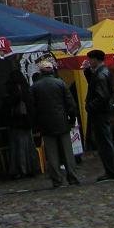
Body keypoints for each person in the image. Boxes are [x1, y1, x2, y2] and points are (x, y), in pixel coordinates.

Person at [31, 59, 80, 187]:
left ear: (40, 72)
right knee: (67, 151)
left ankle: (57, 179)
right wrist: (72, 118)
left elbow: (33, 108)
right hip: (62, 120)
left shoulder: (35, 87)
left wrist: (36, 125)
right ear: (52, 70)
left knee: (52, 153)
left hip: (45, 123)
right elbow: (70, 103)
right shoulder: (60, 83)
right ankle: (72, 177)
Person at [85, 49, 114, 181]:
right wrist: (87, 72)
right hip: (103, 112)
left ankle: (111, 171)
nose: (89, 61)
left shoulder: (101, 75)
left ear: (95, 59)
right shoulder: (102, 72)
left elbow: (102, 96)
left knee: (104, 142)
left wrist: (90, 106)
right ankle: (110, 171)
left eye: (90, 59)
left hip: (100, 113)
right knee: (104, 142)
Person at [2, 69, 38, 179]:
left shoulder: (13, 90)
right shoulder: (26, 89)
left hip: (17, 122)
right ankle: (30, 167)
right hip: (26, 122)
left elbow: (10, 104)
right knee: (28, 145)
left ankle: (21, 169)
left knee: (18, 147)